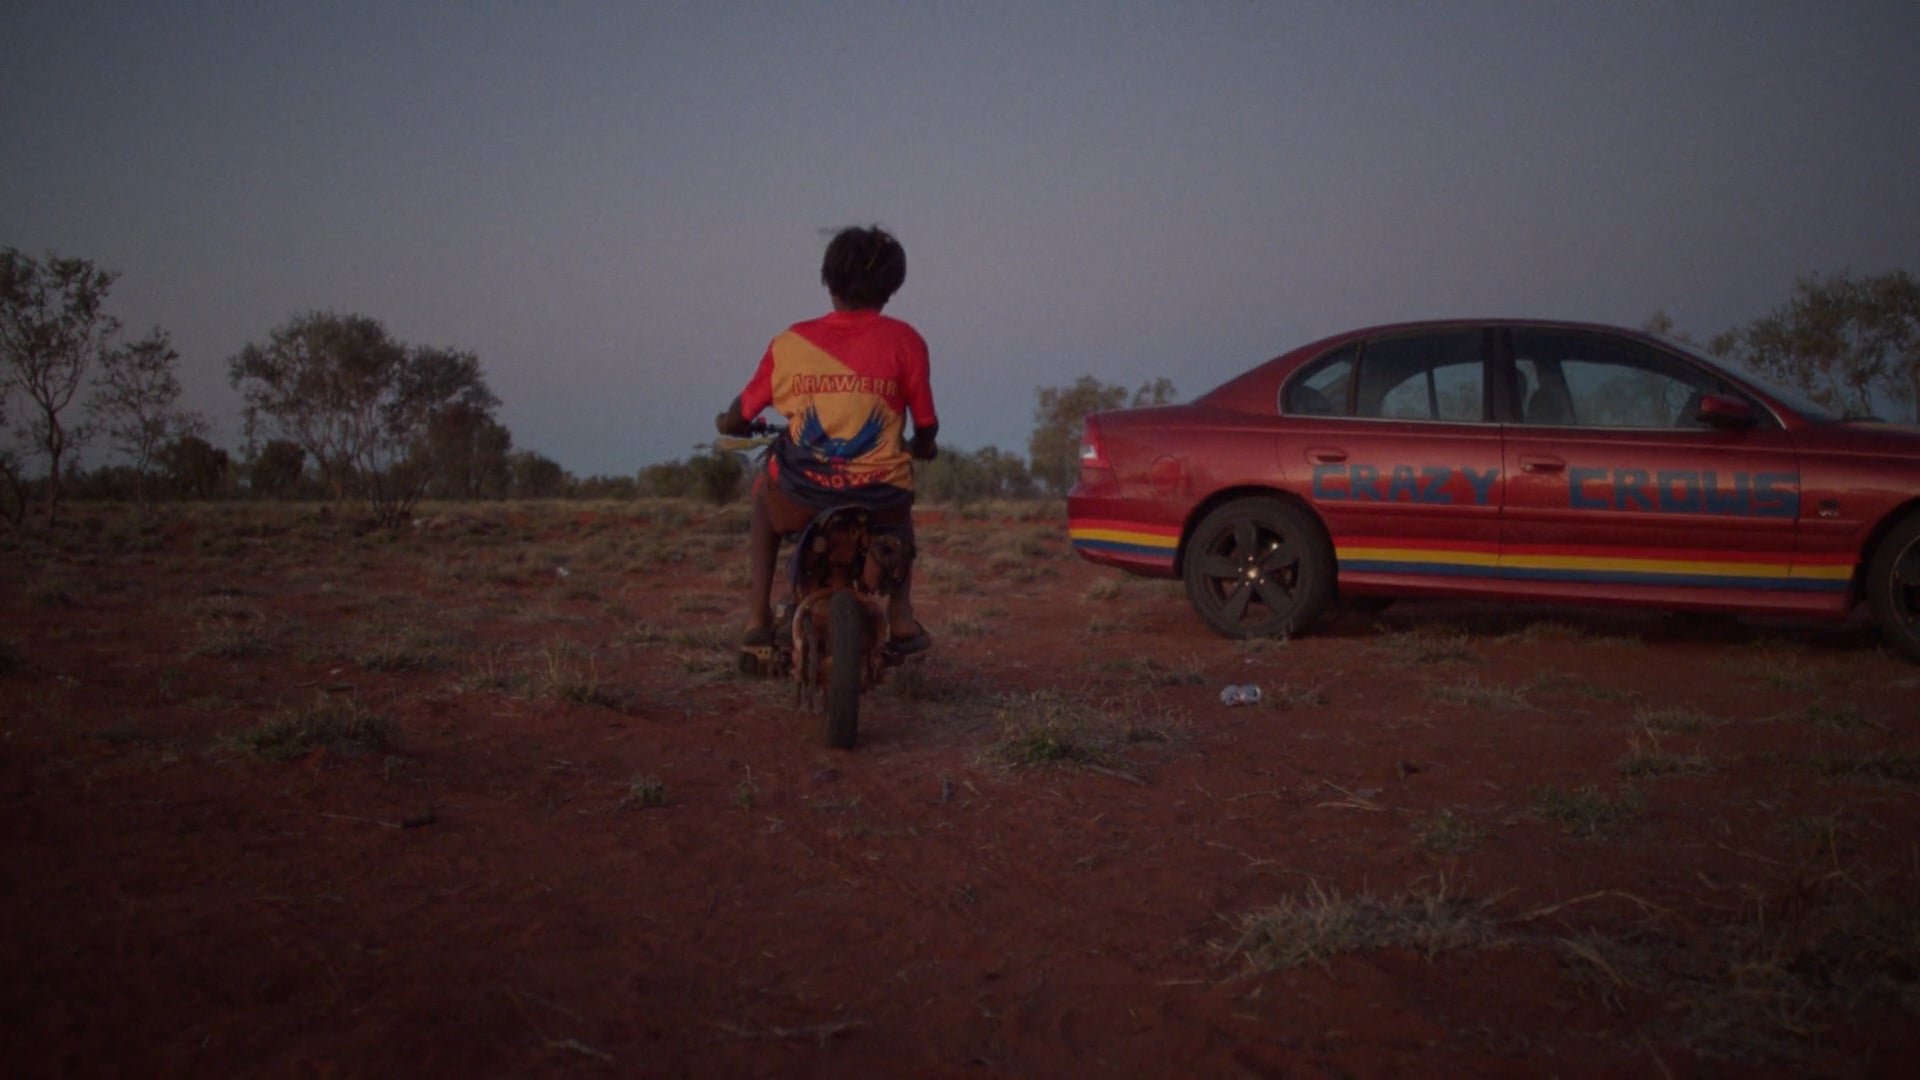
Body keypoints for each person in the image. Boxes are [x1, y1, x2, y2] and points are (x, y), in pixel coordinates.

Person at [715, 225, 939, 668]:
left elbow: (740, 413)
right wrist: (922, 445)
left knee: (763, 499)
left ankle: (757, 620)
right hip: (880, 499)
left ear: (829, 281)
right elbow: (927, 423)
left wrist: (729, 423)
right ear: (892, 288)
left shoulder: (790, 344)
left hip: (802, 495)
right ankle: (901, 615)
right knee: (902, 505)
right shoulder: (906, 341)